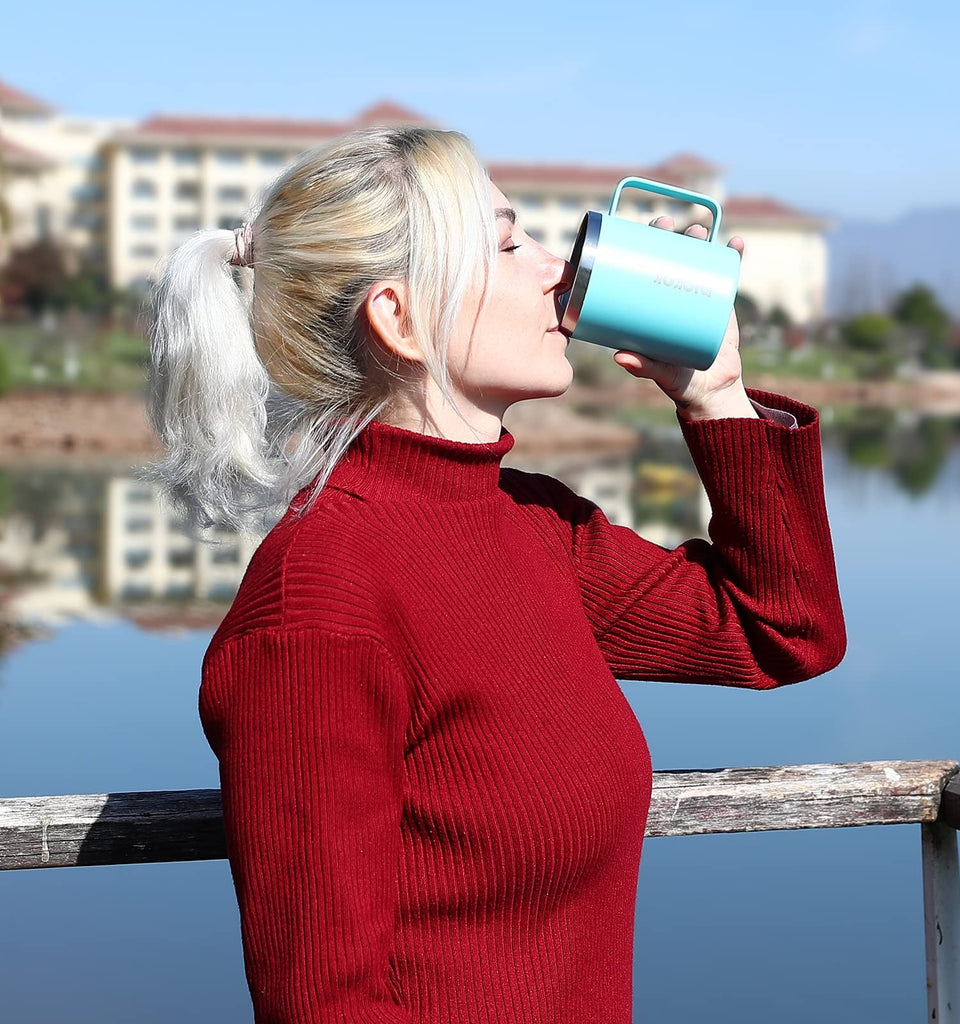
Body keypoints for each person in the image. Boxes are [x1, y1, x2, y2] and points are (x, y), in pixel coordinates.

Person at [146, 125, 846, 1024]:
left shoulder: (532, 526)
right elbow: (323, 1005)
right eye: (510, 243)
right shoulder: (318, 609)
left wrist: (718, 397)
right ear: (400, 317)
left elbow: (781, 632)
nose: (559, 268)